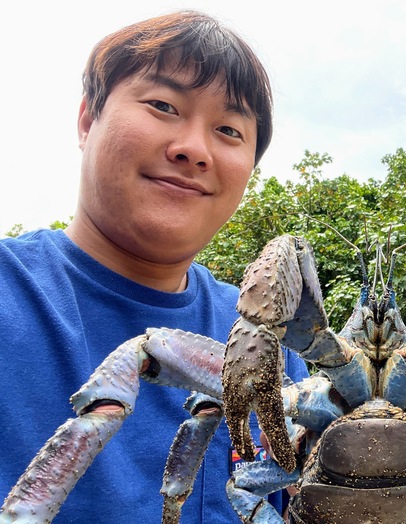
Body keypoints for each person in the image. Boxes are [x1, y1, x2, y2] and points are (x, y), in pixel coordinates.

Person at [0, 11, 307, 523]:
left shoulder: (268, 338)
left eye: (229, 130)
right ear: (86, 120)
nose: (193, 149)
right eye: (163, 105)